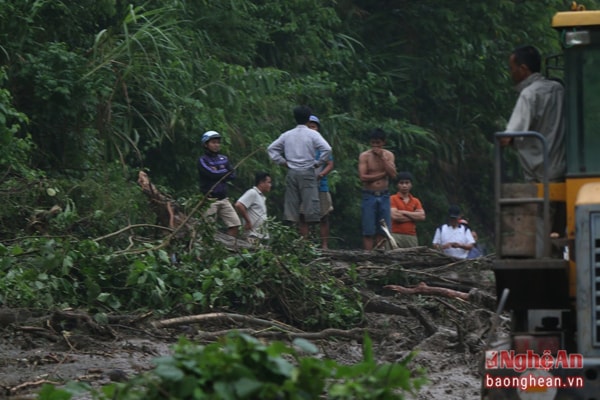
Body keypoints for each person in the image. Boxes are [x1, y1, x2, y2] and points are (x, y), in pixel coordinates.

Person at [500, 45, 566, 256]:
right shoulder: (560, 89)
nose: (511, 74)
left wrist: (506, 141)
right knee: (561, 227)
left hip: (540, 173)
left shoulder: (529, 94)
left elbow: (507, 137)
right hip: (566, 170)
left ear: (524, 69)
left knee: (539, 225)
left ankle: (542, 264)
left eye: (513, 68)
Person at [267, 106, 332, 236]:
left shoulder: (287, 135)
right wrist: (318, 163)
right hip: (307, 171)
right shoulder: (313, 134)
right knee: (310, 207)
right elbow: (327, 149)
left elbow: (271, 149)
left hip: (292, 172)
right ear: (308, 119)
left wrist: (283, 162)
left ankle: (296, 237)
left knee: (293, 205)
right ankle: (310, 240)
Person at [358, 128, 397, 250]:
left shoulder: (389, 155)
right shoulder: (365, 156)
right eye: (373, 143)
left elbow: (393, 174)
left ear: (383, 143)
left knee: (383, 229)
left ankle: (379, 253)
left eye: (378, 143)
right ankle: (368, 256)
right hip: (369, 194)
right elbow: (363, 177)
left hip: (384, 195)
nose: (375, 146)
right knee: (368, 229)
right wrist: (382, 174)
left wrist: (382, 158)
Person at [197, 130, 241, 237]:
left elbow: (233, 175)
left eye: (218, 142)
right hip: (209, 199)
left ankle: (228, 247)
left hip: (224, 199)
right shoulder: (202, 160)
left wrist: (219, 173)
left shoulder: (224, 159)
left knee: (235, 224)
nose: (216, 145)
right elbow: (211, 174)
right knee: (208, 228)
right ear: (206, 144)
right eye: (213, 142)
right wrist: (224, 173)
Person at [300, 115, 334, 248]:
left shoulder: (322, 146)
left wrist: (321, 174)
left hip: (321, 185)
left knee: (324, 216)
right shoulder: (301, 146)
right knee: (303, 215)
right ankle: (305, 244)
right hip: (304, 185)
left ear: (318, 129)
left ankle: (324, 245)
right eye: (308, 127)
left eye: (313, 126)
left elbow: (330, 164)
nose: (311, 129)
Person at [389, 171, 425, 248]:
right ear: (397, 185)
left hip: (411, 235)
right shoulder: (392, 198)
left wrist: (403, 212)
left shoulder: (415, 201)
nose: (404, 185)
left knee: (412, 258)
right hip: (395, 234)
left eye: (407, 183)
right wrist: (413, 216)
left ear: (411, 184)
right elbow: (395, 216)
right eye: (401, 183)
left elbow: (422, 216)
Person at [235, 172, 272, 243]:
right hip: (252, 235)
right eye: (269, 182)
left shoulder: (261, 196)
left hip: (259, 235)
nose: (270, 185)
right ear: (261, 182)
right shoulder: (252, 192)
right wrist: (248, 222)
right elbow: (239, 205)